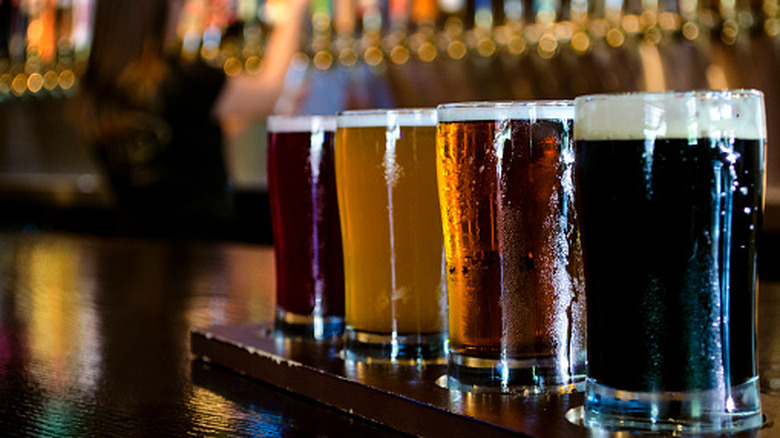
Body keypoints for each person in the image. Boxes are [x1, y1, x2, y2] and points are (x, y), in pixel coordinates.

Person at [73, 0, 310, 239]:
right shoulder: (179, 78)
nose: (184, 5)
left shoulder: (101, 85)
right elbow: (270, 91)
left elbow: (179, 145)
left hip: (138, 247)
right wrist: (292, 16)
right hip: (200, 253)